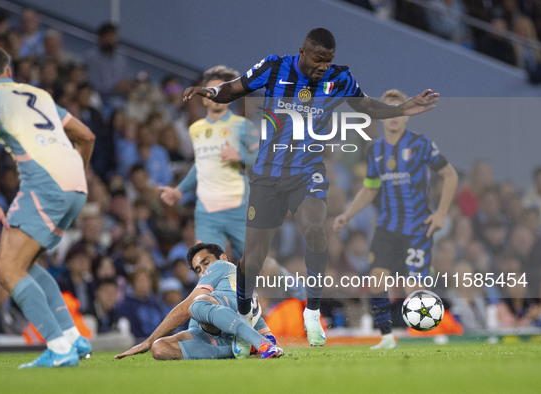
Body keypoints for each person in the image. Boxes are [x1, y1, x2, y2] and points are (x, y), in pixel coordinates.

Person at [183, 27, 439, 346]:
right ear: (303, 51)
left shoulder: (340, 79)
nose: (323, 66)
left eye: (328, 61)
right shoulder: (274, 68)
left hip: (307, 171)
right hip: (268, 175)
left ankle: (312, 311)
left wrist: (401, 108)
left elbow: (367, 107)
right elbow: (232, 90)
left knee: (316, 229)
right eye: (318, 60)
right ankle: (245, 312)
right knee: (254, 255)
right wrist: (205, 92)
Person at [0, 44, 96, 368]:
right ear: (9, 72)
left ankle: (58, 347)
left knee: (5, 270)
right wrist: (74, 177)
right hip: (75, 185)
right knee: (24, 265)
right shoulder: (37, 94)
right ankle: (72, 338)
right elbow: (86, 136)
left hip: (45, 185)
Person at [333, 89, 458, 349]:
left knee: (413, 285)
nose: (393, 116)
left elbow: (450, 174)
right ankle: (386, 336)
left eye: (398, 109)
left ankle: (423, 335)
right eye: (388, 109)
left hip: (417, 227)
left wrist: (441, 213)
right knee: (377, 280)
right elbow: (369, 188)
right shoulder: (375, 150)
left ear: (407, 115)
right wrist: (348, 214)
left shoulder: (420, 144)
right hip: (387, 226)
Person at [115, 243, 282, 360]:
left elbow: (186, 308)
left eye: (206, 263)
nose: (204, 271)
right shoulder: (223, 286)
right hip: (222, 331)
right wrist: (153, 343)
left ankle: (260, 345)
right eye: (198, 269)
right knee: (160, 348)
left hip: (228, 313)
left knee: (197, 304)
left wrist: (147, 341)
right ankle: (241, 349)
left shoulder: (223, 266)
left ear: (223, 257)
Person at [160, 65, 258, 257]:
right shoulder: (198, 129)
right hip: (209, 205)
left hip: (237, 204)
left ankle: (291, 284)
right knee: (211, 261)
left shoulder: (242, 125)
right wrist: (179, 190)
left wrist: (239, 157)